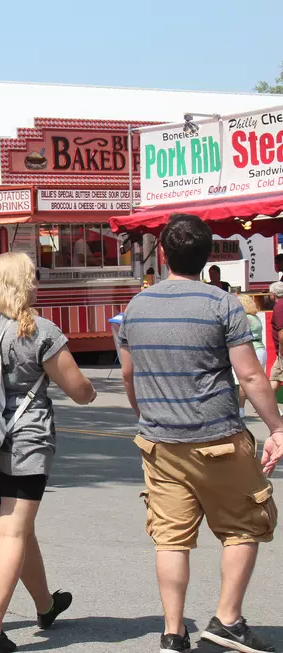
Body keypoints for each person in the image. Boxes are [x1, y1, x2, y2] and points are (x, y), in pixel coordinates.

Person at [118, 214, 282, 653]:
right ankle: (227, 620)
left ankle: (173, 632)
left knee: (171, 538)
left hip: (159, 442)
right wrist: (277, 427)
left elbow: (129, 378)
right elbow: (249, 376)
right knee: (246, 525)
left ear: (165, 255)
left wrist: (147, 413)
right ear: (208, 254)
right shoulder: (222, 304)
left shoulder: (136, 307)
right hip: (218, 439)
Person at [0, 252, 95, 653]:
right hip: (26, 444)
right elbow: (79, 389)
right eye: (32, 277)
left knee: (17, 526)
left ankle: (46, 606)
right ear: (21, 284)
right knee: (13, 530)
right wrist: (91, 392)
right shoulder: (42, 331)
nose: (37, 282)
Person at [238, 294, 267, 418]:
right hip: (260, 349)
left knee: (245, 381)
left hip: (252, 350)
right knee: (259, 380)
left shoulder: (246, 318)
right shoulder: (255, 317)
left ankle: (241, 408)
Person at [268, 281, 283, 397]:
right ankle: (270, 408)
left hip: (282, 350)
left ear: (273, 294)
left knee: (275, 377)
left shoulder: (279, 307)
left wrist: (281, 350)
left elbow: (281, 330)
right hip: (280, 352)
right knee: (274, 377)